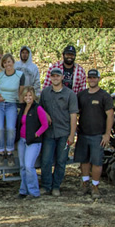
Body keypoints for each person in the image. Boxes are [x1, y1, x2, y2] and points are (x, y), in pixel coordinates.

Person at [74, 69, 114, 198]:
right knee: (84, 161)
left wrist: (107, 134)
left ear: (98, 79)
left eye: (94, 78)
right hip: (83, 134)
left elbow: (110, 115)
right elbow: (75, 112)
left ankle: (95, 186)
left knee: (97, 162)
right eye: (90, 78)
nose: (92, 80)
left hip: (98, 135)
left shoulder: (104, 96)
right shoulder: (82, 95)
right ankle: (84, 184)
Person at [39, 67, 78, 196]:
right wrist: (45, 114)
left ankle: (56, 186)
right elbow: (39, 108)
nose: (55, 78)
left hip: (64, 133)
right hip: (49, 133)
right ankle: (46, 186)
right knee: (46, 161)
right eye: (53, 76)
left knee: (61, 162)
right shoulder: (45, 93)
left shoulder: (69, 94)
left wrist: (72, 135)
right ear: (50, 78)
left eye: (57, 76)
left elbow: (73, 116)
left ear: (62, 78)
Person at [0, 53, 25, 167]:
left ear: (13, 62)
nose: (7, 64)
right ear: (3, 65)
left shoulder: (20, 75)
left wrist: (21, 107)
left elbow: (21, 93)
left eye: (9, 62)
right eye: (5, 63)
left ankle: (9, 152)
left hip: (12, 104)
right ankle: (0, 152)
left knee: (10, 128)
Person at [15, 87, 48, 200]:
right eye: (25, 96)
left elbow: (45, 124)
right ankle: (23, 191)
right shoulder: (23, 108)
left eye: (30, 96)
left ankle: (34, 192)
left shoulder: (37, 108)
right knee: (23, 166)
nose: (28, 98)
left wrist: (36, 134)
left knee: (29, 166)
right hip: (22, 141)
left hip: (33, 142)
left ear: (33, 96)